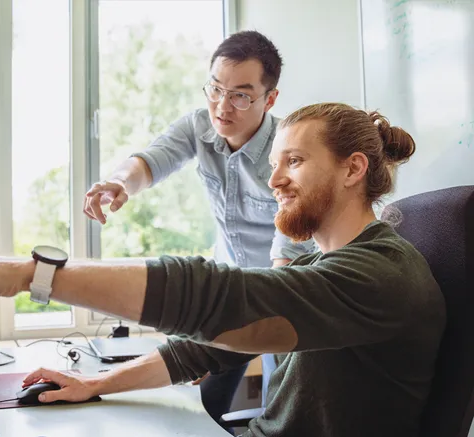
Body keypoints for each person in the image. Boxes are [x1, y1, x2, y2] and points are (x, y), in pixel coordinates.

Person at [0, 103, 446, 437]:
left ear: (353, 169)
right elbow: (208, 347)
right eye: (274, 162)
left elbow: (222, 298)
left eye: (294, 161)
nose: (274, 179)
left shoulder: (383, 273)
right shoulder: (322, 262)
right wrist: (94, 383)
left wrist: (32, 275)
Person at [83, 29, 313, 427]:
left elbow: (289, 242)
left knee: (284, 414)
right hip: (234, 291)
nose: (223, 106)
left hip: (284, 291)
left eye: (240, 94)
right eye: (215, 88)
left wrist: (265, 303)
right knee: (201, 408)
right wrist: (120, 182)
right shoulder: (200, 127)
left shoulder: (285, 151)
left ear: (269, 98)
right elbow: (152, 159)